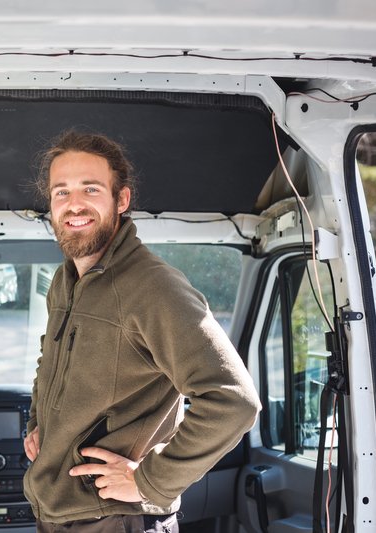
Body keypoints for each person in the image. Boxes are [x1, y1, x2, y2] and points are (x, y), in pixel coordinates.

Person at [23, 130, 261, 533]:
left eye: (90, 189)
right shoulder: (66, 282)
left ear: (122, 200)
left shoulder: (153, 287)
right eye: (61, 192)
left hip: (117, 519)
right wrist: (39, 422)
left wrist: (149, 481)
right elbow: (53, 363)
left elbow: (233, 402)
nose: (73, 204)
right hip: (57, 514)